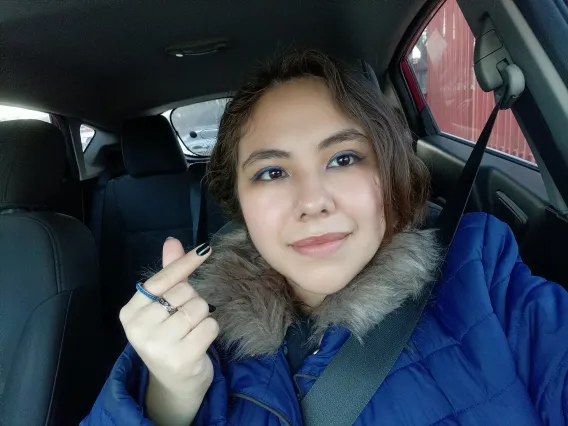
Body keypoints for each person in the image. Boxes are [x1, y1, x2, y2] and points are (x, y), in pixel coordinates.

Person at [81, 50, 568, 426]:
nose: (312, 201)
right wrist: (166, 399)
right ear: (240, 206)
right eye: (272, 171)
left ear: (390, 171)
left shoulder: (481, 272)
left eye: (343, 159)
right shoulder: (182, 331)